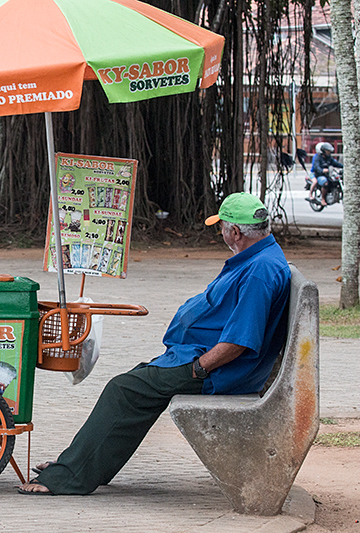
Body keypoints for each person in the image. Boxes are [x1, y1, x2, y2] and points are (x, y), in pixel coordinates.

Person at [18, 192, 291, 496]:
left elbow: (239, 341)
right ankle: (85, 465)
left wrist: (198, 370)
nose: (221, 234)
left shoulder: (259, 272)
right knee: (137, 384)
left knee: (124, 390)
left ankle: (69, 476)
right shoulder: (260, 258)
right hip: (197, 358)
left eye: (222, 228)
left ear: (235, 232)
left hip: (218, 371)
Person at [309, 142, 342, 206]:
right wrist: (322, 170)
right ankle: (322, 199)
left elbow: (336, 164)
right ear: (323, 150)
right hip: (317, 175)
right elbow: (316, 167)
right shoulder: (317, 157)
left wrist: (344, 167)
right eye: (327, 151)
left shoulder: (329, 158)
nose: (329, 152)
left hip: (327, 175)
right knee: (324, 183)